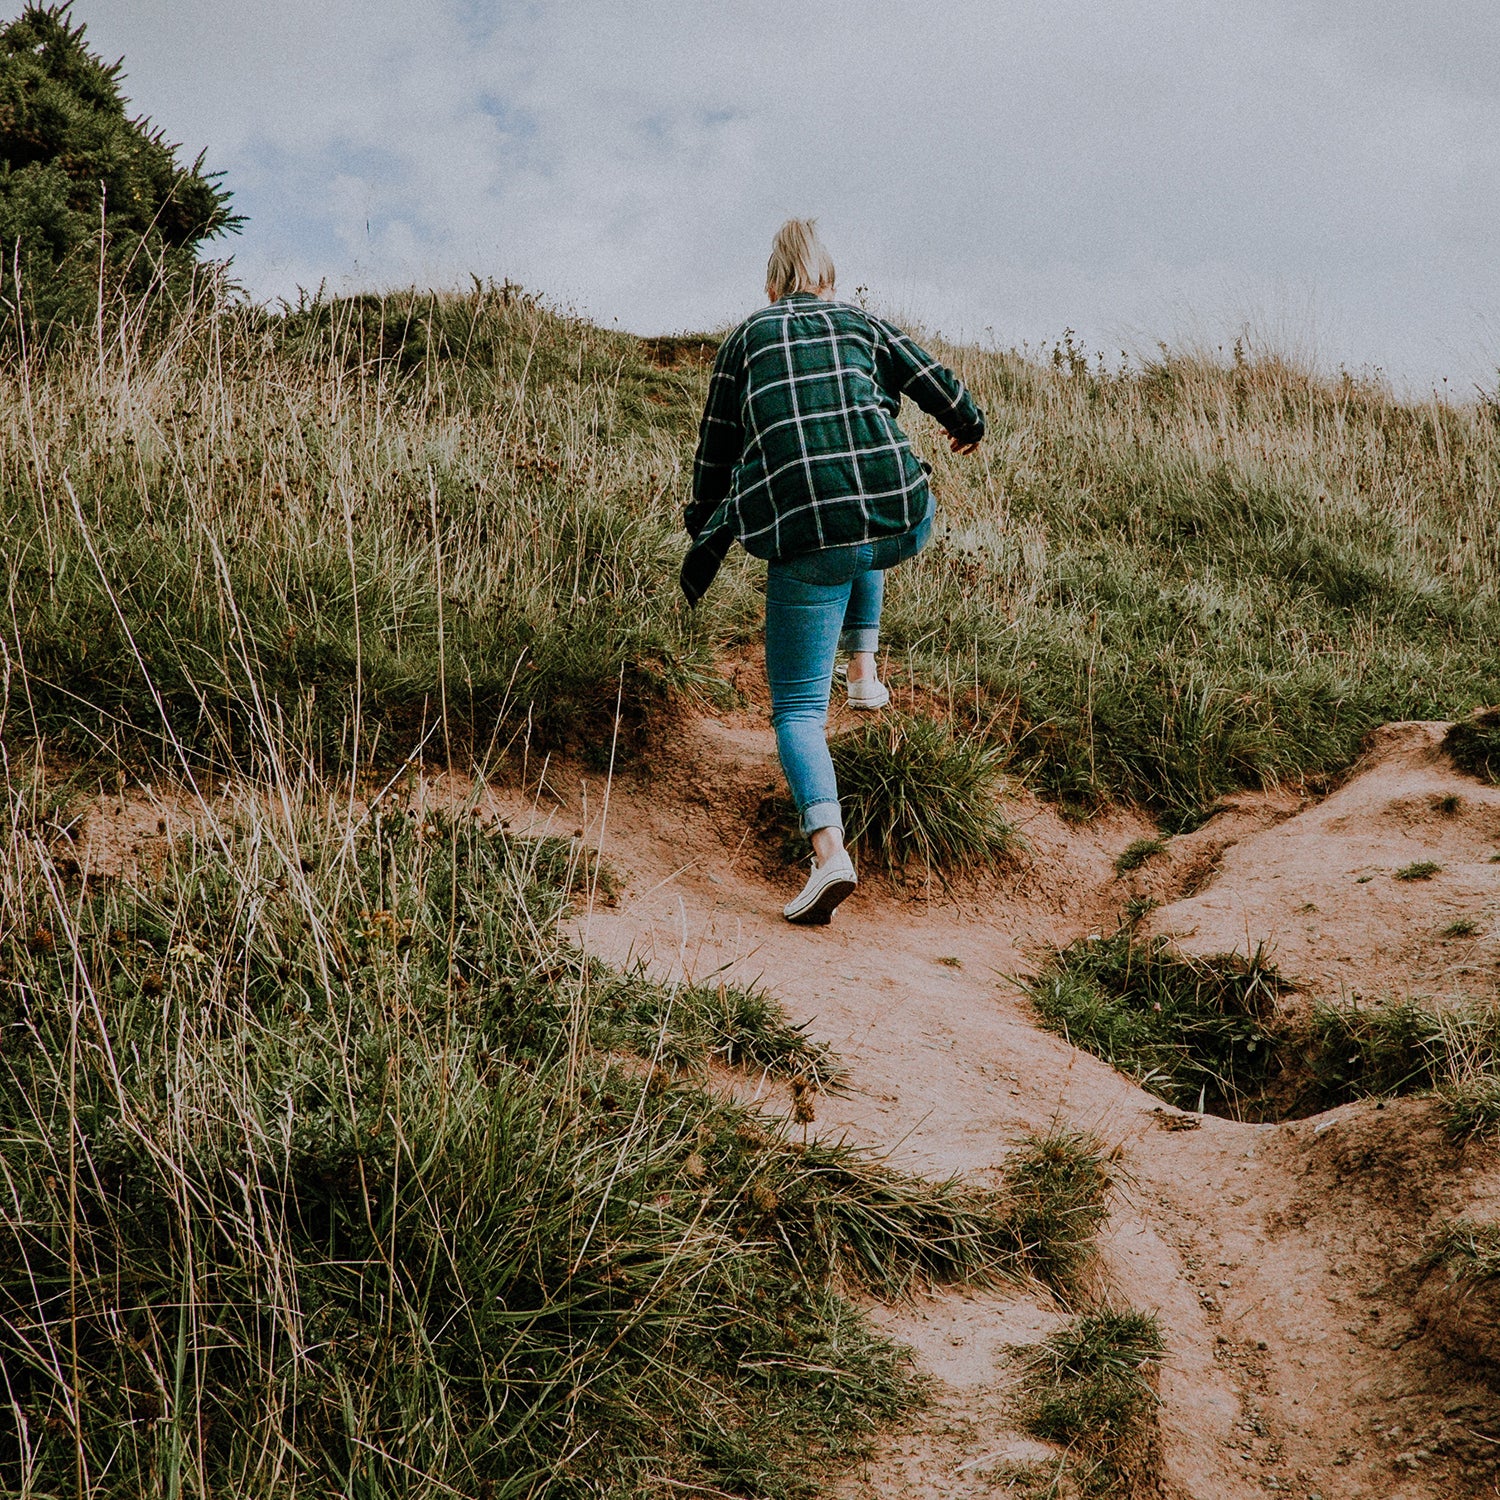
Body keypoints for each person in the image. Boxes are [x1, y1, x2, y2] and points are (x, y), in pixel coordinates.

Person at [681, 218, 984, 925]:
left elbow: (715, 448)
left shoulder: (745, 341)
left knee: (795, 711)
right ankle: (865, 670)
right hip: (900, 517)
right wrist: (967, 425)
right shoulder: (861, 321)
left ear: (769, 285)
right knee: (863, 520)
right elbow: (937, 382)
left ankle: (828, 855)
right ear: (829, 280)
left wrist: (703, 527)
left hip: (807, 539)